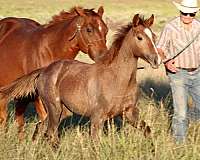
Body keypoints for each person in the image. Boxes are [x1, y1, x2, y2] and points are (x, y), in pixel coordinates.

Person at [157, 0, 200, 143]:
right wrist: (167, 61)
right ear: (180, 11)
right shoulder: (170, 27)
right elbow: (160, 49)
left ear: (195, 13)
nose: (187, 16)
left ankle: (187, 121)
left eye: (191, 13)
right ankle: (179, 144)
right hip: (178, 74)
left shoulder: (199, 27)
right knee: (180, 113)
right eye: (184, 13)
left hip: (197, 73)